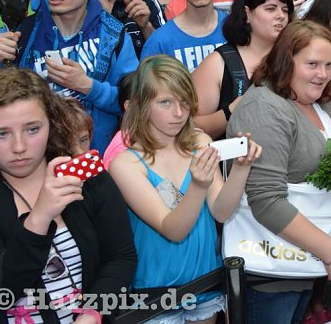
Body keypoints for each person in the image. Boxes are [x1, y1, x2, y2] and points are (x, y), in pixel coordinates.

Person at [110, 56, 261, 324]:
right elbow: (173, 229)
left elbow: (221, 211)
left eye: (184, 101)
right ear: (141, 105)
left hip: (204, 280)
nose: (179, 113)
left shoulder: (199, 141)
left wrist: (241, 169)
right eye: (165, 102)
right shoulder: (126, 164)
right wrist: (198, 184)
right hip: (156, 290)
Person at [0, 66, 137, 324]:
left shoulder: (87, 177)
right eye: (1, 134)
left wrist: (91, 315)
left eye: (32, 129)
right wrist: (38, 219)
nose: (18, 147)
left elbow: (120, 257)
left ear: (52, 125)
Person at [228, 21, 331, 323]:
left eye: (329, 65)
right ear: (286, 60)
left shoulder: (314, 101)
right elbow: (267, 201)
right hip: (272, 268)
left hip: (301, 262)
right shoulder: (265, 108)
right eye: (312, 64)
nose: (323, 74)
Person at [0, 0, 138, 155]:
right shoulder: (20, 33)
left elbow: (138, 105)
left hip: (96, 165)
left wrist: (88, 87)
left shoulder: (114, 35)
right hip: (33, 167)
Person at [192, 0, 292, 138]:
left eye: (285, 10)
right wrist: (231, 111)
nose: (281, 16)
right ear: (247, 14)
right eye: (271, 9)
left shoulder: (295, 56)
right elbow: (191, 125)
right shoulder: (219, 62)